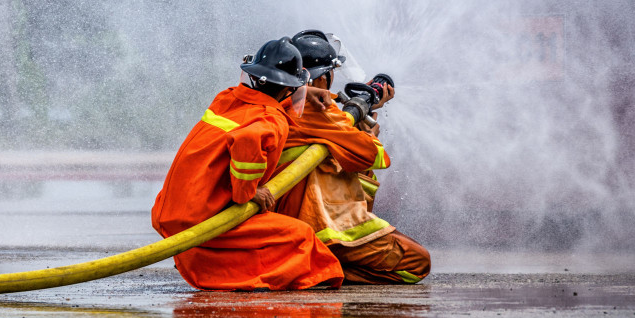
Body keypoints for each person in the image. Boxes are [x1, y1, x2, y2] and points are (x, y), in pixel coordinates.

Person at [151, 37, 345, 291]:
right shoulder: (271, 121)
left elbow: (263, 102)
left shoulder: (227, 99)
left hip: (173, 212)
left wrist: (307, 94)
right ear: (290, 87)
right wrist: (249, 192)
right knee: (302, 238)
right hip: (201, 220)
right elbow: (247, 138)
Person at [273, 30, 431, 284]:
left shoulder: (278, 105)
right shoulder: (317, 111)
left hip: (284, 223)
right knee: (417, 262)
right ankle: (320, 269)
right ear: (323, 77)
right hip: (319, 227)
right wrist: (369, 134)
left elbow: (339, 134)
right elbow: (373, 156)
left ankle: (316, 265)